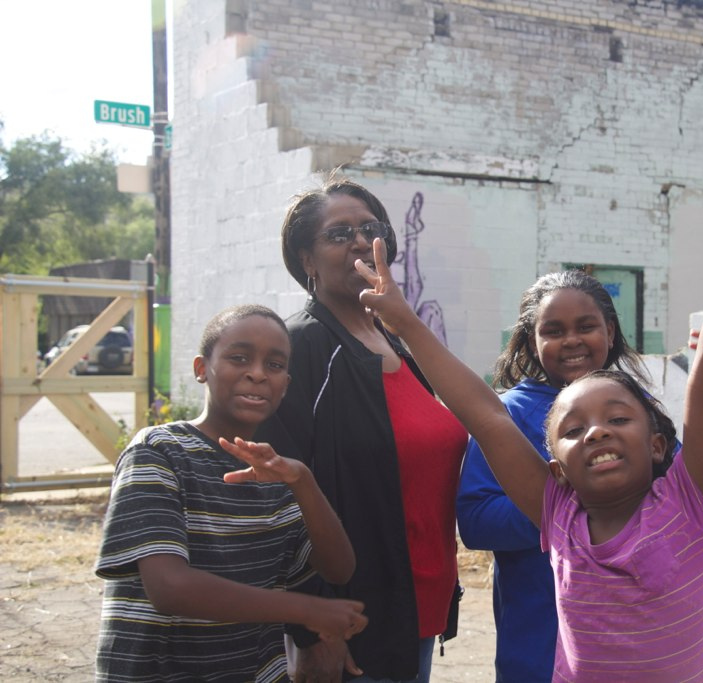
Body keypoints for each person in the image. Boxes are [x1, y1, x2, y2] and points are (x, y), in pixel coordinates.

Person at [358, 135, 703, 682]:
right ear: (554, 465)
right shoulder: (559, 516)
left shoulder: (689, 505)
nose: (597, 431)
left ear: (657, 443)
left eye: (618, 418)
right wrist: (405, 323)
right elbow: (485, 416)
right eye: (573, 429)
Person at [256, 175, 468, 682]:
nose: (357, 240)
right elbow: (276, 500)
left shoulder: (397, 344)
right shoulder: (299, 347)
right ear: (306, 259)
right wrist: (312, 627)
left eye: (369, 228)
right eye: (338, 233)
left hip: (418, 603)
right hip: (351, 618)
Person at [95, 304, 367, 682]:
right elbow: (169, 588)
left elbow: (339, 568)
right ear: (201, 369)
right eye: (239, 358)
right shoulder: (158, 452)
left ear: (286, 384)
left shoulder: (275, 472)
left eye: (274, 365)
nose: (257, 374)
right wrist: (305, 609)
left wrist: (304, 481)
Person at [456, 270, 651, 682]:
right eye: (554, 330)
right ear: (531, 341)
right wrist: (570, 504)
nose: (572, 341)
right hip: (541, 644)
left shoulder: (638, 408)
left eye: (586, 326)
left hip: (636, 638)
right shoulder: (507, 415)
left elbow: (676, 493)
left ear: (610, 331)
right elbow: (476, 521)